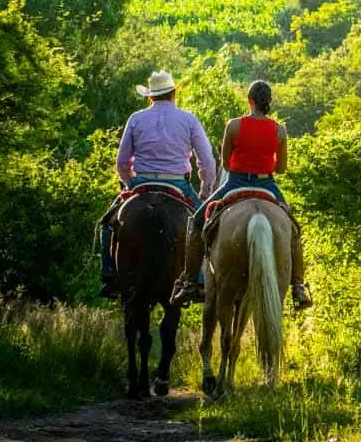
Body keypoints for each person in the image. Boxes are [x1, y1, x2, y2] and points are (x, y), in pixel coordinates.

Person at [169, 80, 312, 310]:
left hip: (234, 182)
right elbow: (282, 169)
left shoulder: (233, 126)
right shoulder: (280, 131)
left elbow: (225, 163)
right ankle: (298, 286)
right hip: (267, 184)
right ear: (270, 103)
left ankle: (189, 282)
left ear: (250, 101)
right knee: (294, 229)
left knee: (195, 223)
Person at [98, 70, 216, 299]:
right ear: (174, 93)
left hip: (141, 182)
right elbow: (208, 162)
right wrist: (204, 192)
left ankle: (110, 275)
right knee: (204, 227)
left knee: (107, 224)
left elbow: (122, 162)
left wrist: (131, 184)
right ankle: (199, 280)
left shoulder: (136, 118)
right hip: (178, 185)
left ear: (150, 97)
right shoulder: (188, 119)